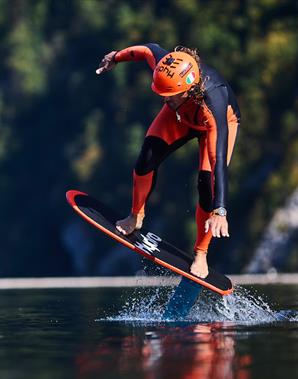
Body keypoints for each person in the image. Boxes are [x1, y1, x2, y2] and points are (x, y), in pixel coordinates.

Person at [96, 43, 240, 279]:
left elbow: (218, 161)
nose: (164, 100)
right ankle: (135, 216)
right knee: (145, 160)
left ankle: (201, 253)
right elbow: (147, 49)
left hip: (216, 123)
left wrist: (220, 210)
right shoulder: (168, 67)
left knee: (207, 185)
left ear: (187, 89)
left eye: (168, 97)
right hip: (182, 116)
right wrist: (115, 57)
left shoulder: (214, 101)